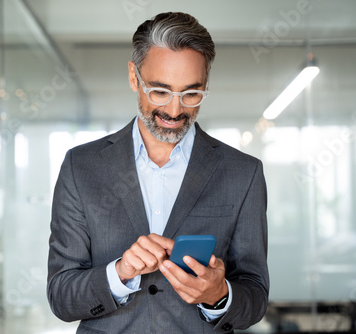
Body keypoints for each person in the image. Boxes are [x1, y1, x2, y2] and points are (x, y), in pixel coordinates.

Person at [47, 12, 269, 333]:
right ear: (134, 78)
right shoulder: (81, 167)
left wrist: (219, 295)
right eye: (160, 92)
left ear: (206, 84)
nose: (175, 110)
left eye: (191, 93)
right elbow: (61, 296)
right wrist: (120, 273)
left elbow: (256, 296)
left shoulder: (243, 173)